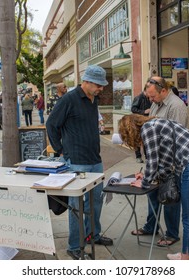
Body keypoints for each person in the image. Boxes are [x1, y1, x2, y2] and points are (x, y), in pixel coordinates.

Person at [118, 114, 189, 260]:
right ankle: (186, 255)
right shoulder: (156, 124)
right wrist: (147, 175)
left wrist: (144, 182)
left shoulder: (147, 128)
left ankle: (186, 259)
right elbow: (163, 161)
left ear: (129, 129)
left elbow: (152, 161)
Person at [46, 65, 113, 260]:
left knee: (97, 200)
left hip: (95, 160)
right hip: (76, 162)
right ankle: (74, 245)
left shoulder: (94, 99)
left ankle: (93, 234)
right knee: (77, 205)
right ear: (87, 81)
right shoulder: (69, 99)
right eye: (99, 85)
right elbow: (52, 124)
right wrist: (60, 150)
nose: (101, 89)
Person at [131, 76, 188, 249]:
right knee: (152, 195)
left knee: (169, 197)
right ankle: (151, 226)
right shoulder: (156, 102)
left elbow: (175, 138)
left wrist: (161, 167)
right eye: (148, 96)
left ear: (163, 90)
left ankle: (171, 234)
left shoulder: (176, 106)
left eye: (152, 96)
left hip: (172, 161)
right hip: (158, 158)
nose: (150, 100)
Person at [131, 85, 151, 163]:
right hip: (138, 122)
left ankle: (147, 157)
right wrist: (144, 111)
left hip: (146, 121)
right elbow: (133, 109)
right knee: (137, 139)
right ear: (145, 90)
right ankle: (138, 156)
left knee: (146, 139)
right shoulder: (139, 97)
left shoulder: (149, 98)